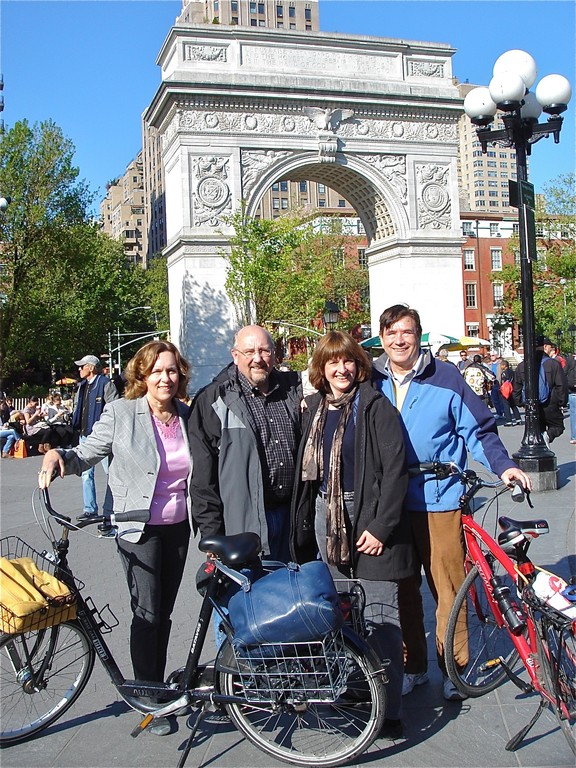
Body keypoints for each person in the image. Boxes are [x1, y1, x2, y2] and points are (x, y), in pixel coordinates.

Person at [372, 304, 532, 701]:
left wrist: (504, 467)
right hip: (389, 502)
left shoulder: (445, 377)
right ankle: (412, 666)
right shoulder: (371, 379)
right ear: (382, 338)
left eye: (406, 332)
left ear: (419, 335)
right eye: (391, 334)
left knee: (448, 586)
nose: (399, 340)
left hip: (438, 497)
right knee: (402, 590)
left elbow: (479, 429)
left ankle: (454, 667)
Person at [38, 340, 193, 737]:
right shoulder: (122, 413)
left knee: (165, 612)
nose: (166, 377)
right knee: (148, 613)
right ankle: (150, 698)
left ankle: (155, 686)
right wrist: (59, 456)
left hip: (177, 527)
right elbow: (87, 452)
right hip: (136, 528)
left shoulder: (187, 415)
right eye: (157, 370)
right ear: (142, 375)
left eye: (172, 370)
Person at [290, 331, 413, 740]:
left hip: (372, 521)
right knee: (344, 616)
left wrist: (380, 527)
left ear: (359, 366)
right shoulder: (314, 410)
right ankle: (360, 695)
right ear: (321, 371)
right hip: (330, 520)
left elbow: (396, 473)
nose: (341, 370)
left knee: (380, 618)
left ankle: (391, 710)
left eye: (347, 362)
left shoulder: (376, 408)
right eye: (332, 363)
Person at [189, 324, 302, 562]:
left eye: (264, 350)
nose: (258, 359)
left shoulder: (294, 391)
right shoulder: (214, 400)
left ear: (274, 353)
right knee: (249, 594)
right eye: (249, 352)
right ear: (235, 355)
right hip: (244, 525)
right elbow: (202, 478)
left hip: (293, 520)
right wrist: (211, 533)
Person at [72, 354, 119, 521]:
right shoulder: (81, 386)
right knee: (86, 474)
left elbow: (115, 409)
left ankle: (112, 511)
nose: (79, 369)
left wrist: (106, 430)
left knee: (111, 474)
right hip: (85, 435)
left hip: (103, 437)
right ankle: (90, 510)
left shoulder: (106, 384)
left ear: (91, 368)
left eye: (81, 366)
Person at [513, 336, 568, 445]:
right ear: (545, 347)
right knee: (558, 427)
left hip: (531, 405)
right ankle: (547, 437)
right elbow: (561, 385)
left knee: (536, 431)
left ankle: (542, 448)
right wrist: (561, 401)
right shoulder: (553, 364)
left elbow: (517, 386)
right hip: (550, 403)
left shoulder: (522, 366)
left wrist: (519, 402)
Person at [499, 360, 522, 426]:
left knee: (506, 406)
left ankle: (509, 420)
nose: (500, 366)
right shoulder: (512, 372)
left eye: (501, 365)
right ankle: (518, 419)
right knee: (513, 405)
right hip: (513, 390)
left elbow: (504, 382)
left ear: (504, 365)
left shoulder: (504, 373)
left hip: (506, 391)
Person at [488, 351, 506, 419]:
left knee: (501, 399)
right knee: (494, 399)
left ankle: (503, 411)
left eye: (493, 355)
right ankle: (499, 412)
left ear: (496, 356)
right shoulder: (489, 364)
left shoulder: (501, 363)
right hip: (493, 384)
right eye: (491, 355)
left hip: (500, 383)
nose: (492, 357)